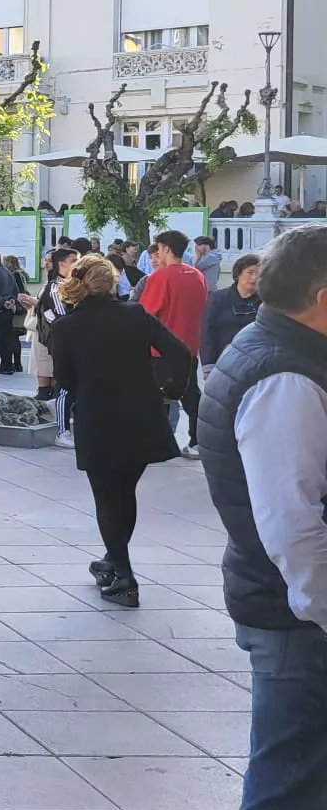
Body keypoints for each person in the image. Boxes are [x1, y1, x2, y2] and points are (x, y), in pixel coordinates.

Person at [195, 225, 327, 810]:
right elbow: (294, 529)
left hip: (289, 609)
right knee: (289, 785)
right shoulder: (285, 376)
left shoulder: (273, 348)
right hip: (298, 618)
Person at [51, 254, 194, 608]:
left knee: (106, 496)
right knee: (124, 492)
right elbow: (180, 353)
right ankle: (113, 561)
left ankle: (125, 576)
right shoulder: (135, 314)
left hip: (98, 417)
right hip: (141, 415)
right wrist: (172, 390)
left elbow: (65, 379)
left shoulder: (66, 327)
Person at [143, 230, 210, 457]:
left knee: (155, 398)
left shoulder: (159, 278)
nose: (156, 254)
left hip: (160, 350)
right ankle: (197, 441)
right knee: (191, 396)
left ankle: (157, 445)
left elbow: (146, 315)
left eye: (159, 249)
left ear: (166, 249)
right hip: (189, 346)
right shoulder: (197, 275)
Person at [28, 247, 77, 402]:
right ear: (62, 264)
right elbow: (60, 316)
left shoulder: (72, 284)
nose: (78, 265)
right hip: (61, 340)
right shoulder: (56, 286)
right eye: (74, 261)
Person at [202, 252, 262, 369]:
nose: (254, 278)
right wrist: (208, 364)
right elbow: (208, 332)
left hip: (256, 363)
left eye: (259, 274)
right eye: (250, 272)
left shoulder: (266, 302)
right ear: (238, 274)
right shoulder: (217, 298)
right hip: (224, 360)